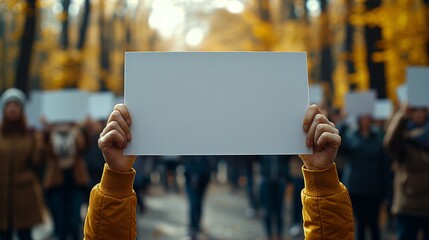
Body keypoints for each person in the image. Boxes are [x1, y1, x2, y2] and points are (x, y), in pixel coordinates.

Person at [83, 104, 354, 239]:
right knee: (193, 199)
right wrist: (116, 178)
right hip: (192, 172)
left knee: (197, 199)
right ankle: (193, 223)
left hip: (204, 173)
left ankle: (196, 222)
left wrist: (322, 177)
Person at [0, 88, 46, 240]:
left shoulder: (31, 135)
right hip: (2, 195)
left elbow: (38, 162)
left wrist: (41, 141)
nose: (12, 108)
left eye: (16, 105)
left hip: (24, 196)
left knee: (25, 235)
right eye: (9, 105)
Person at [384, 104, 429, 240]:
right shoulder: (403, 135)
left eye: (423, 109)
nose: (419, 113)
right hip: (408, 201)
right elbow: (389, 144)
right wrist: (402, 115)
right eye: (415, 110)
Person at [340, 114, 388, 240]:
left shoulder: (378, 136)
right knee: (359, 224)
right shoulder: (351, 134)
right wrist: (344, 122)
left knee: (374, 224)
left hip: (374, 188)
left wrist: (386, 192)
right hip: (356, 187)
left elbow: (384, 164)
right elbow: (341, 147)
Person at [43, 122, 90, 240]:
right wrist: (48, 130)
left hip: (75, 183)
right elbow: (43, 151)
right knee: (60, 224)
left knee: (74, 222)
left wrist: (79, 129)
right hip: (56, 183)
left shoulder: (77, 131)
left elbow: (84, 146)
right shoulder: (49, 133)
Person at [259, 155, 289, 240]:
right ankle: (268, 235)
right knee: (267, 211)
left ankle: (279, 235)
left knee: (279, 211)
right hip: (266, 180)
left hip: (280, 180)